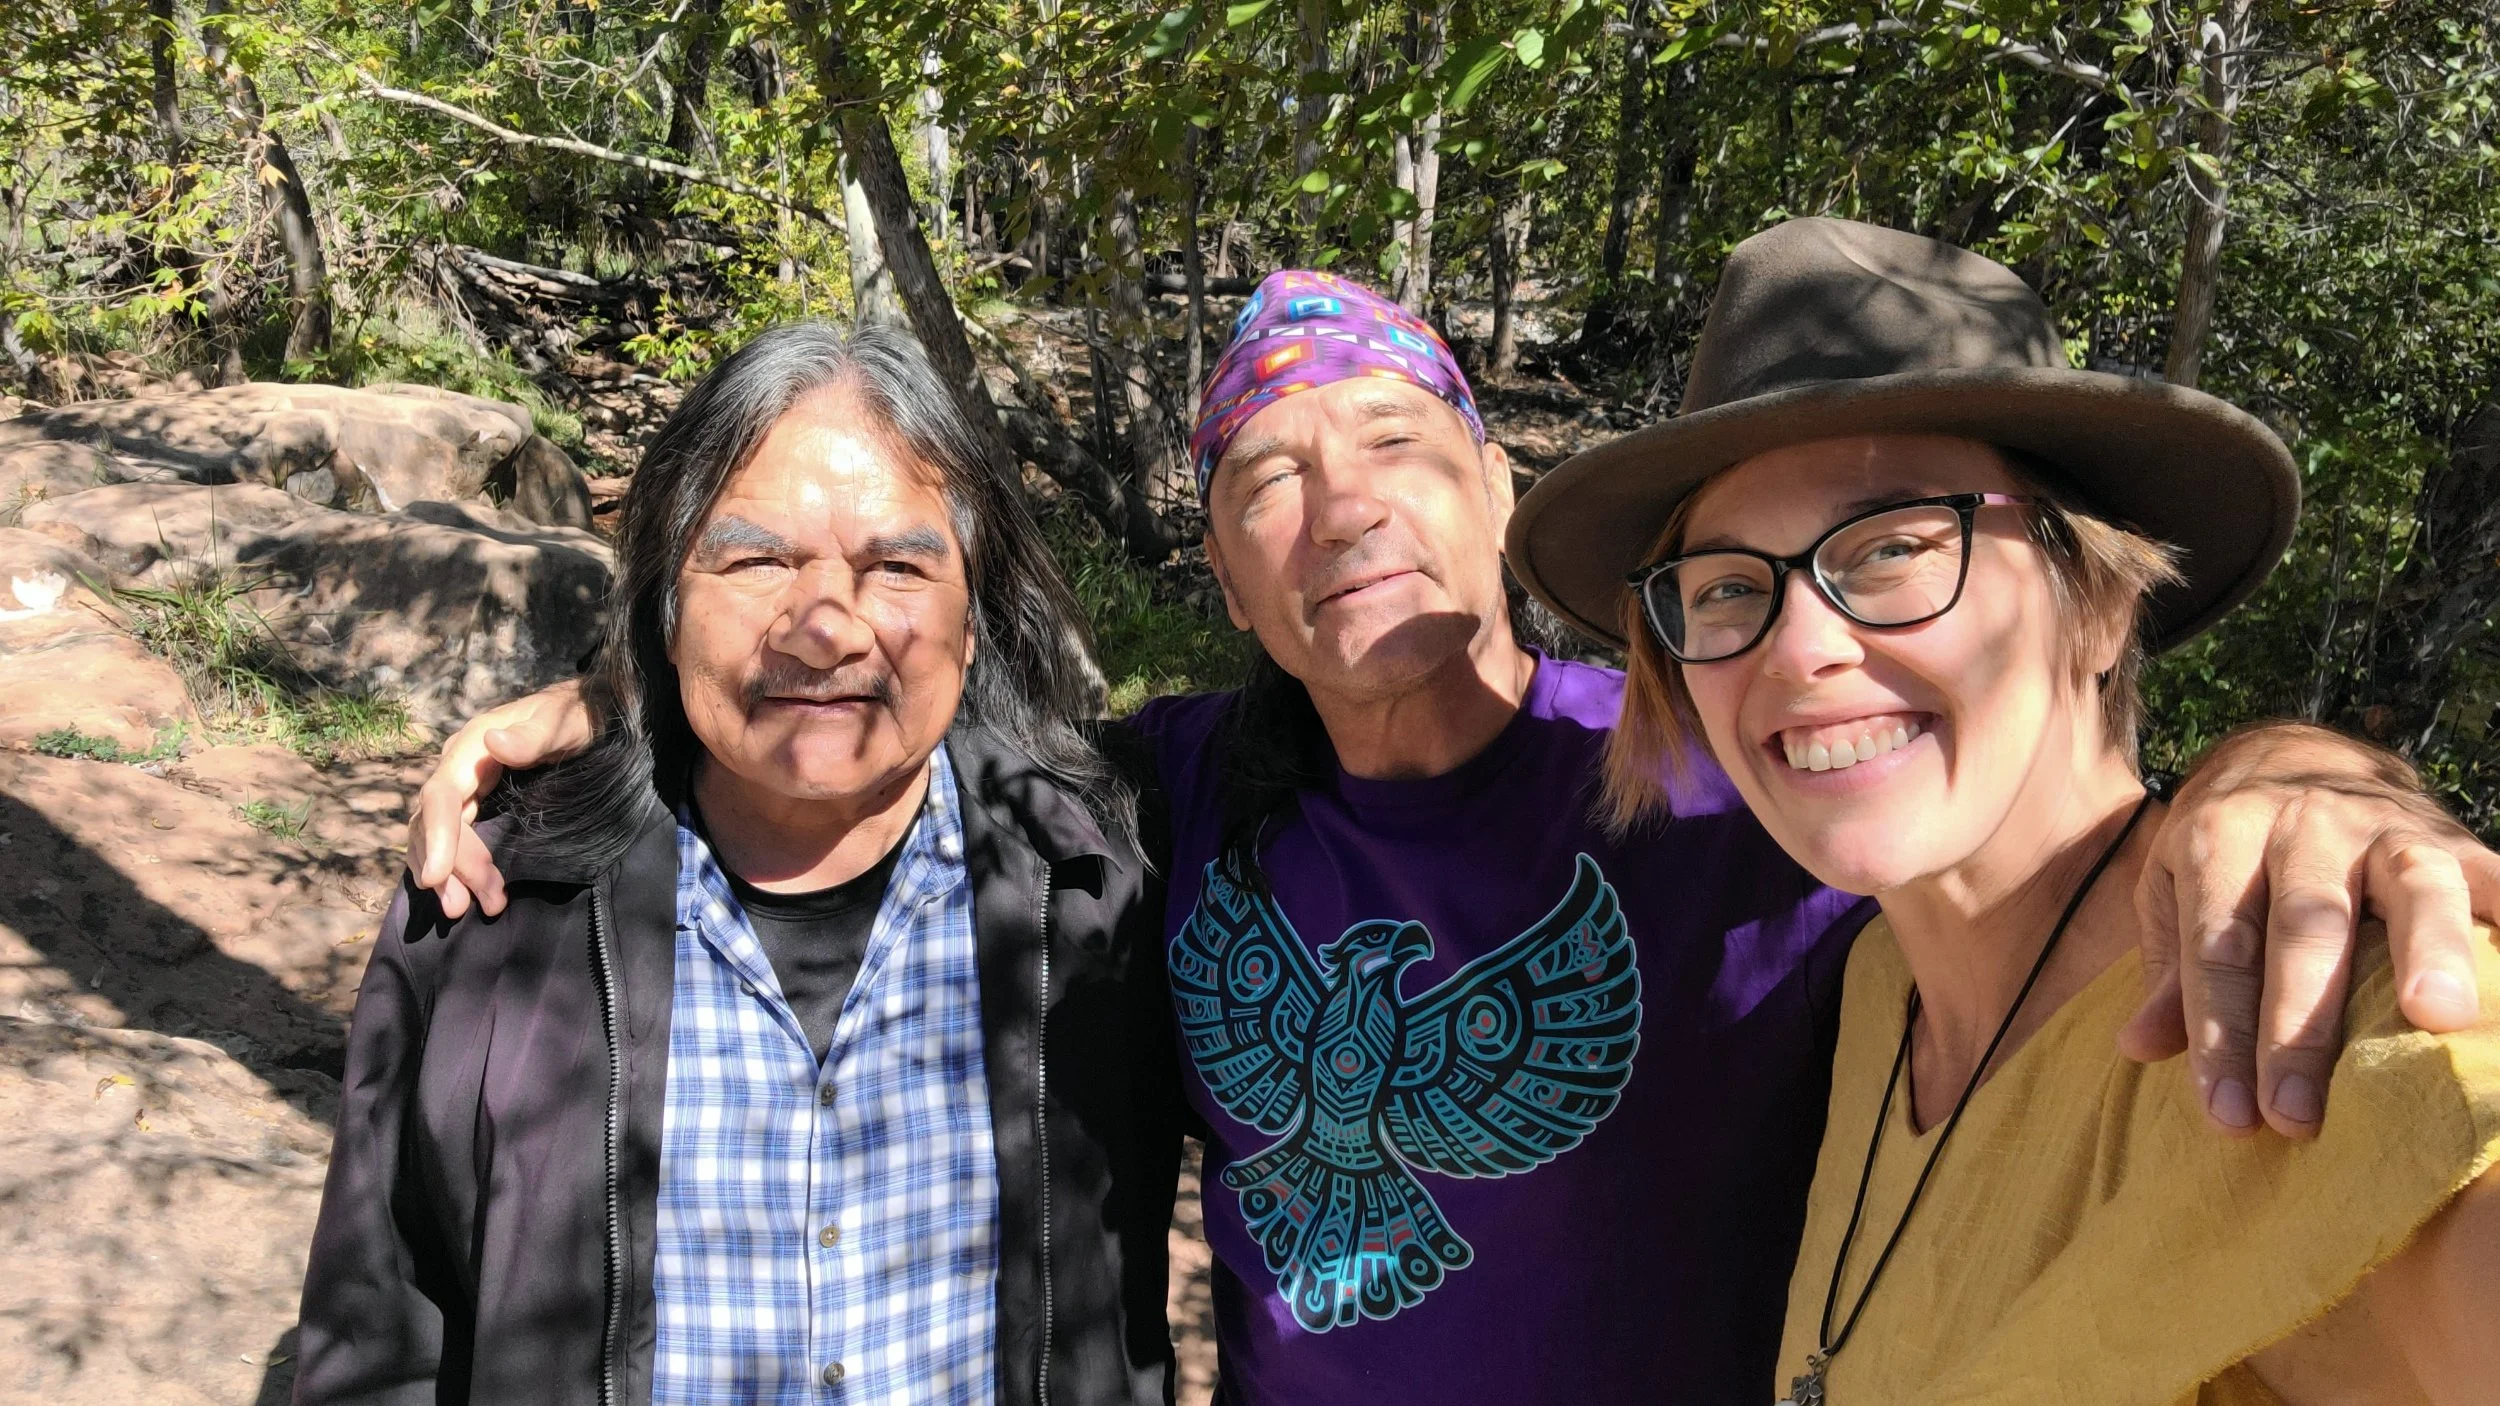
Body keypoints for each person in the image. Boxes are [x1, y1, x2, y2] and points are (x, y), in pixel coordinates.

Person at [400, 271, 2500, 1403]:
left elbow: (2063, 828)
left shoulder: (1738, 768)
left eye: (1399, 441)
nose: (1342, 505)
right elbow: (870, 709)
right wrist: (623, 709)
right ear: (1226, 580)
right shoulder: (1166, 796)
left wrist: (2293, 777)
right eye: (1267, 479)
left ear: (1500, 493)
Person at [1507, 216, 2500, 1403]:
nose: (1800, 648)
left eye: (1892, 549)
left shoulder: (2305, 1004)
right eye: (1725, 585)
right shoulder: (1878, 985)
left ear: (2100, 604)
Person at [294, 323, 1186, 1406]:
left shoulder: (1105, 890)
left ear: (972, 619)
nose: (824, 629)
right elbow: (379, 1342)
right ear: (669, 607)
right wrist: (614, 697)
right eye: (757, 561)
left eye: (897, 567)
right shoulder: (493, 905)